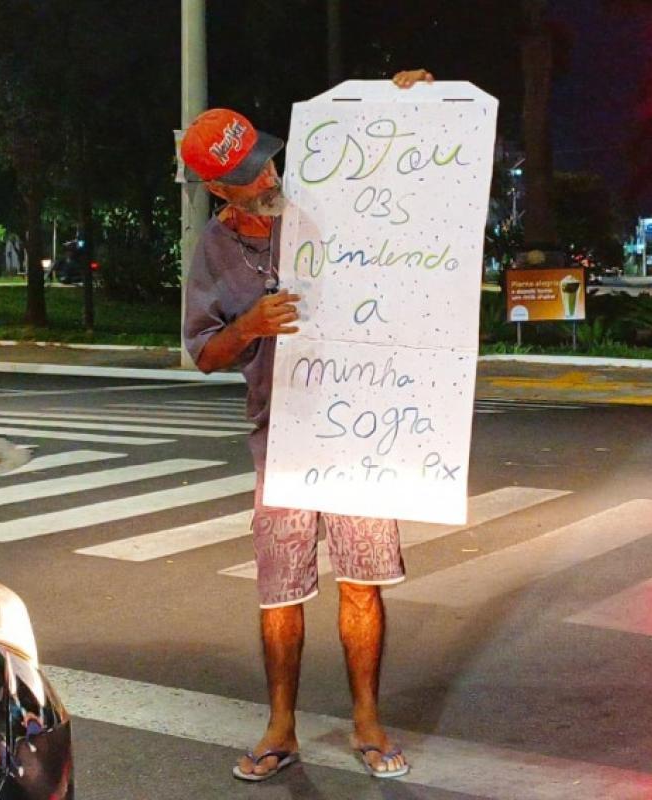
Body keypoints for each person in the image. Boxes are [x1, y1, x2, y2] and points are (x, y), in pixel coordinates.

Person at [180, 68, 434, 782]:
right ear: (219, 189)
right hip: (281, 438)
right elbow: (203, 353)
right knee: (280, 589)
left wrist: (405, 105)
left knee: (362, 582)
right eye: (248, 175)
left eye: (267, 160)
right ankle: (280, 727)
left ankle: (367, 723)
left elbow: (400, 189)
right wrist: (249, 327)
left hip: (360, 429)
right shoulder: (215, 249)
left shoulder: (329, 208)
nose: (268, 177)